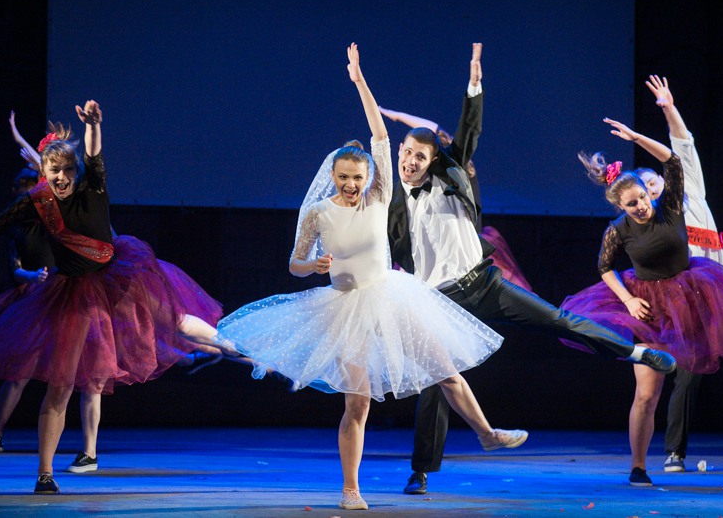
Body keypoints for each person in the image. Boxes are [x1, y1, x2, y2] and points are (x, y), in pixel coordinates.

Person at [214, 43, 524, 511]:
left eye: (358, 177)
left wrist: (360, 81)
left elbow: (380, 133)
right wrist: (313, 266)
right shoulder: (319, 214)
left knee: (446, 371)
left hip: (392, 296)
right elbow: (294, 263)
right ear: (333, 175)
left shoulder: (379, 197)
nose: (351, 184)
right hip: (347, 310)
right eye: (344, 177)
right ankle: (350, 489)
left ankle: (487, 434)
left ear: (368, 177)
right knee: (357, 404)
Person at [387, 44, 677, 496]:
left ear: (435, 161)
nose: (410, 161)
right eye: (406, 153)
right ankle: (421, 471)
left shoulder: (454, 179)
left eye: (420, 156)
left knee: (557, 319)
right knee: (436, 383)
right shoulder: (393, 201)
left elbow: (465, 131)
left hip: (484, 283)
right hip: (439, 301)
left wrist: (474, 85)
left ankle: (636, 353)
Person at [0, 101, 224, 494]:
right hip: (73, 292)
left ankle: (231, 346)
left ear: (77, 171)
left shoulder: (93, 185)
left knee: (172, 320)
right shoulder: (37, 201)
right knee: (61, 387)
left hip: (120, 278)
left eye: (68, 170)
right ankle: (46, 473)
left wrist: (93, 126)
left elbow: (92, 154)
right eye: (54, 171)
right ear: (43, 173)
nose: (62, 177)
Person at [562, 117, 723, 487]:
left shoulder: (669, 204)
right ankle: (638, 468)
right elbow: (604, 268)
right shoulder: (618, 230)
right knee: (646, 394)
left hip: (695, 294)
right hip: (650, 309)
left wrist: (636, 137)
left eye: (642, 198)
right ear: (619, 206)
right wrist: (627, 300)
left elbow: (672, 160)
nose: (641, 206)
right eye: (631, 204)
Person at [636, 75, 723, 474]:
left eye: (654, 182)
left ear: (664, 180)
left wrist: (669, 108)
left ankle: (674, 452)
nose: (652, 189)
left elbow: (683, 145)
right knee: (688, 373)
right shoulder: (656, 224)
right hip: (689, 304)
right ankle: (673, 453)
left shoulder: (691, 190)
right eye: (644, 190)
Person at [378, 105, 532, 291]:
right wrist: (398, 116)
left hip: (465, 251)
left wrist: (398, 116)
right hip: (434, 249)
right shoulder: (429, 181)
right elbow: (436, 131)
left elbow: (440, 133)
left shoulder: (458, 172)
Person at [0, 166, 55, 453]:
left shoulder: (53, 220)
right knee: (19, 373)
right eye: (22, 190)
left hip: (62, 295)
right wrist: (33, 276)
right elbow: (15, 270)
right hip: (32, 299)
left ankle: (82, 445)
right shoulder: (15, 229)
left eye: (31, 189)